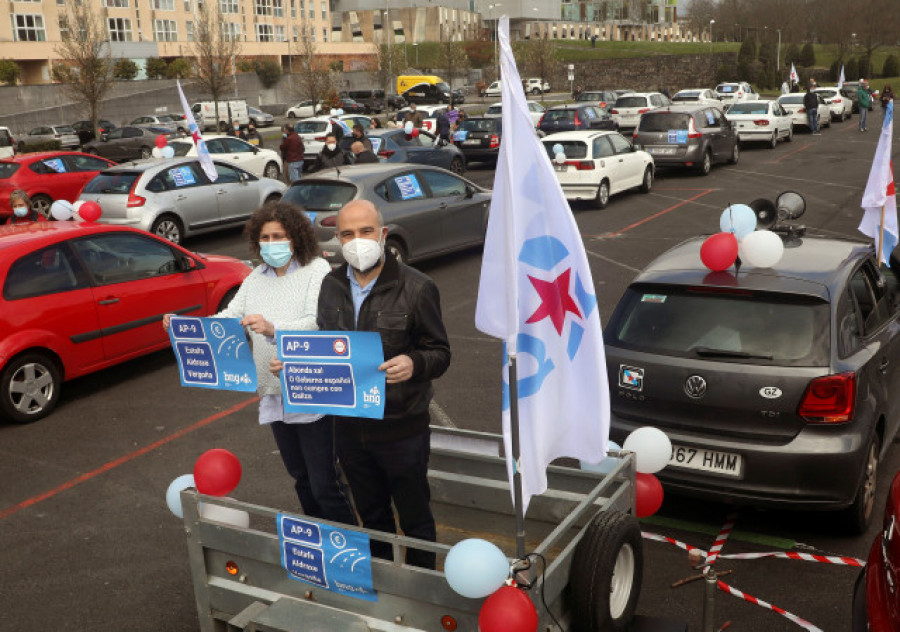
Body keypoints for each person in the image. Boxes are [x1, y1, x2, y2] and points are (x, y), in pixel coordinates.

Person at [281, 199, 451, 569]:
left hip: (401, 427)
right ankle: (385, 583)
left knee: (415, 518)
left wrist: (415, 361)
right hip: (349, 428)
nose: (357, 240)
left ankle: (421, 586)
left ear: (383, 233)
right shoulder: (331, 284)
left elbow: (440, 351)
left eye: (366, 231)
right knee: (372, 517)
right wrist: (295, 365)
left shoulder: (418, 288)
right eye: (348, 234)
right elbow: (327, 345)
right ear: (338, 239)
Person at [163, 203, 356, 526]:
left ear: (295, 238)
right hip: (273, 392)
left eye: (278, 235)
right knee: (301, 477)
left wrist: (272, 329)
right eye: (265, 237)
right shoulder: (254, 279)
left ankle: (351, 548)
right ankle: (323, 541)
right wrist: (184, 326)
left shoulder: (316, 271)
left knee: (325, 483)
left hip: (311, 390)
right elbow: (228, 319)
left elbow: (316, 323)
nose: (271, 243)